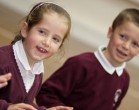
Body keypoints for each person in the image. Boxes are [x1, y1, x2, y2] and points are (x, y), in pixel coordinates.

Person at [36, 8, 139, 110]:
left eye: (135, 44)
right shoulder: (80, 64)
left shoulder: (125, 79)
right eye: (123, 37)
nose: (126, 46)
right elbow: (46, 93)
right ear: (110, 32)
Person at [0, 2, 73, 110]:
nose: (47, 42)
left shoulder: (37, 70)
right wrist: (6, 107)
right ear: (25, 29)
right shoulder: (3, 60)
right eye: (42, 32)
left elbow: (23, 102)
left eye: (55, 39)